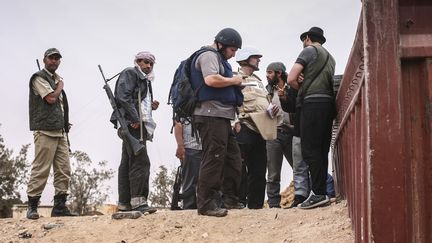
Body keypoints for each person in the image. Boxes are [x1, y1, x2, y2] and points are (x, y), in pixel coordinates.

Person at [191, 27, 245, 217]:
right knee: (213, 157)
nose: (233, 54)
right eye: (232, 50)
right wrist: (235, 81)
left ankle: (229, 198)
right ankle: (206, 204)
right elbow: (211, 80)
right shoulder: (208, 55)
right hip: (210, 114)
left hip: (222, 115)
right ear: (222, 44)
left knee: (232, 158)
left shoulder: (219, 57)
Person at [287, 27, 336, 209]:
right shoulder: (330, 57)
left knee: (309, 149)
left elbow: (291, 78)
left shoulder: (308, 50)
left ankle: (317, 194)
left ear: (307, 38)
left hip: (312, 104)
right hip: (328, 104)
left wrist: (302, 86)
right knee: (322, 150)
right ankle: (321, 193)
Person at [27, 48, 76, 219]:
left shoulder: (55, 79)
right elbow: (51, 99)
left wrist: (63, 122)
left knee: (64, 169)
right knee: (41, 169)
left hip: (59, 131)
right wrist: (60, 87)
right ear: (45, 59)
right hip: (45, 131)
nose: (54, 61)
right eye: (51, 58)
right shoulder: (39, 77)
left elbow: (57, 107)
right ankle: (32, 206)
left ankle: (60, 206)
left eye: (57, 58)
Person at [111, 51, 159, 214]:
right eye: (145, 62)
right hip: (133, 124)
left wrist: (150, 106)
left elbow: (135, 99)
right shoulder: (131, 73)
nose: (148, 65)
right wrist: (135, 118)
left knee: (127, 162)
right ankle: (139, 201)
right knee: (140, 161)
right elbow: (123, 97)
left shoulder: (145, 80)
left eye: (151, 63)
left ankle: (124, 203)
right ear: (137, 61)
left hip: (137, 123)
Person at [234, 46, 279, 209]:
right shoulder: (234, 77)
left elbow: (263, 102)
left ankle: (256, 206)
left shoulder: (259, 81)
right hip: (244, 127)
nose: (259, 60)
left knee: (259, 170)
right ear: (246, 58)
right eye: (256, 57)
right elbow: (231, 102)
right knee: (239, 169)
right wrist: (235, 123)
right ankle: (237, 203)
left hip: (261, 129)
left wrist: (270, 110)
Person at [264, 62, 295, 208]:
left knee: (298, 167)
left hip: (291, 133)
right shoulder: (268, 92)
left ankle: (302, 198)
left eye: (270, 72)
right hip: (274, 133)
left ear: (279, 73)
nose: (267, 75)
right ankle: (273, 204)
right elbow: (264, 113)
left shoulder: (292, 89)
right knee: (273, 172)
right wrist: (268, 112)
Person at [174, 120, 202, 209]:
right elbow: (178, 125)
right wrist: (180, 146)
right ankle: (189, 207)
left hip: (206, 147)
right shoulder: (182, 107)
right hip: (190, 147)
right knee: (190, 182)